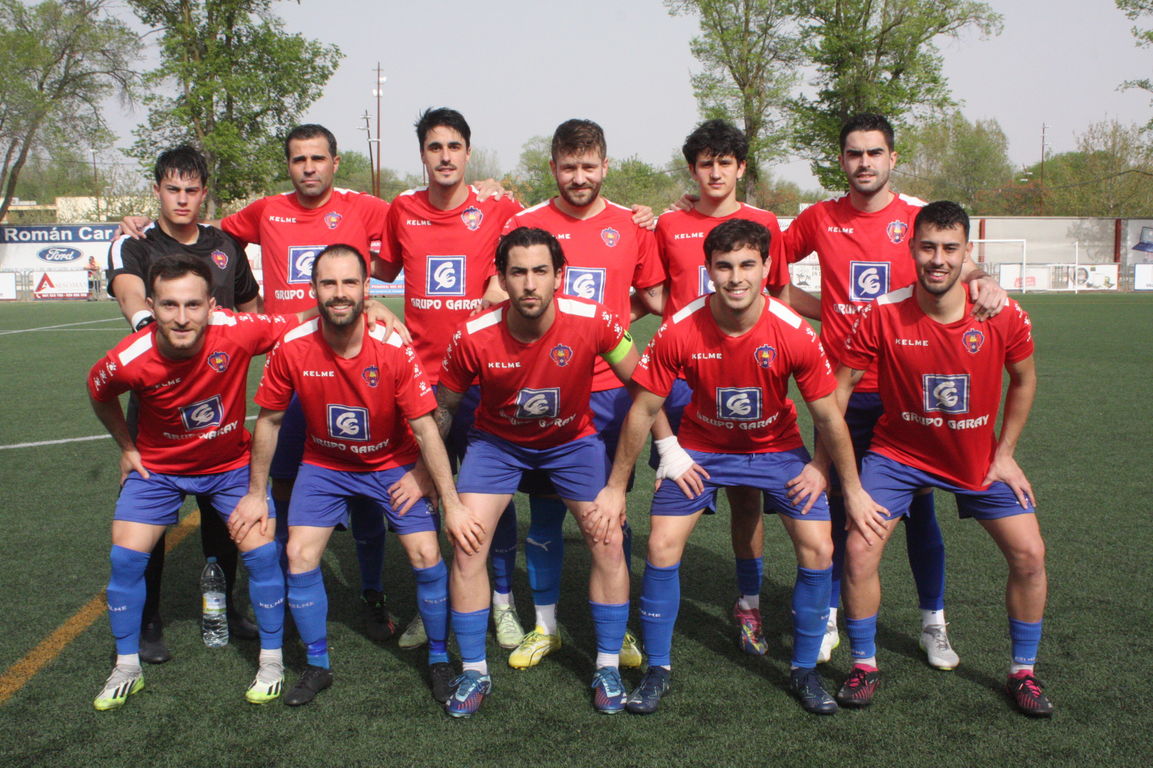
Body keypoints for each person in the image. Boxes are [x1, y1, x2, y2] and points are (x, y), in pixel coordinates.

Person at [119, 126, 406, 641]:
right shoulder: (262, 212)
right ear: (288, 164)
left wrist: (488, 193)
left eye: (318, 158)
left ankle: (369, 593)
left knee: (363, 486)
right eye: (298, 159)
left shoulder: (365, 207)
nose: (309, 167)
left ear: (335, 162)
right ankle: (284, 594)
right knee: (279, 486)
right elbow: (192, 238)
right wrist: (137, 225)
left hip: (352, 368)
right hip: (289, 375)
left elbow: (421, 217)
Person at [592, 218, 886, 716]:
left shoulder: (793, 330)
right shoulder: (680, 327)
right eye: (724, 266)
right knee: (660, 544)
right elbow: (643, 408)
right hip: (702, 448)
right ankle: (658, 669)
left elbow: (828, 416)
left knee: (819, 547)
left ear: (767, 267)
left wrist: (843, 483)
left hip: (775, 447)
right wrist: (618, 485)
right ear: (708, 269)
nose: (735, 277)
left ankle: (804, 671)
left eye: (747, 264)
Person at [777, 113, 1007, 667]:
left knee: (920, 513)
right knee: (840, 508)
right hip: (843, 390)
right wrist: (826, 309)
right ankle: (831, 616)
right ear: (842, 160)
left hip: (908, 392)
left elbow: (964, 266)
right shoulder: (818, 218)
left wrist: (986, 279)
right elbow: (771, 271)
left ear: (892, 158)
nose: (865, 163)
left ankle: (934, 623)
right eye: (855, 153)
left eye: (874, 153)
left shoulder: (915, 216)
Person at [829, 201, 1051, 717]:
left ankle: (1023, 673)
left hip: (977, 459)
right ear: (911, 249)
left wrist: (1006, 452)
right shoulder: (882, 312)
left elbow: (1024, 379)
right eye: (928, 247)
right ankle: (864, 665)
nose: (938, 259)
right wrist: (846, 480)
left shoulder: (1000, 312)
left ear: (967, 253)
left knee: (1030, 555)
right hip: (898, 454)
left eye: (950, 248)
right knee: (859, 550)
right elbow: (837, 394)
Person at [436, 227, 656, 717]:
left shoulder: (593, 318)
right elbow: (443, 409)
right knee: (468, 543)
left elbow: (646, 388)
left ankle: (606, 666)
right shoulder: (473, 334)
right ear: (502, 278)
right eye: (518, 272)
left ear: (560, 276)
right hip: (496, 446)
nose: (530, 283)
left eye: (541, 271)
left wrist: (620, 483)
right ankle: (474, 671)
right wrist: (427, 475)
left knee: (608, 538)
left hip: (571, 443)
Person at [234, 243, 466, 706]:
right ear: (313, 289)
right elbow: (270, 421)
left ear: (366, 288)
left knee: (425, 553)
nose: (339, 293)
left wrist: (449, 498)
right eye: (328, 283)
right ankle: (317, 664)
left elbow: (425, 426)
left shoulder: (392, 346)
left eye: (348, 282)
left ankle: (440, 659)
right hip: (326, 465)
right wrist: (257, 493)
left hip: (391, 463)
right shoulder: (292, 346)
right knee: (299, 553)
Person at [87, 255, 294, 710]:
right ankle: (126, 667)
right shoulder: (128, 358)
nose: (182, 317)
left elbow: (301, 321)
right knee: (125, 559)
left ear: (211, 305)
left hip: (229, 467)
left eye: (193, 305)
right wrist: (127, 446)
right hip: (158, 471)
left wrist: (370, 307)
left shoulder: (236, 330)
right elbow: (98, 392)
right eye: (169, 305)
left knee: (263, 554)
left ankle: (272, 662)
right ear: (151, 306)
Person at [498, 119, 664, 670]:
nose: (579, 177)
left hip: (609, 393)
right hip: (548, 392)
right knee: (545, 514)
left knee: (612, 514)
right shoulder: (525, 224)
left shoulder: (631, 225)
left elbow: (654, 297)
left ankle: (618, 630)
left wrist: (608, 325)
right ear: (553, 167)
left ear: (605, 166)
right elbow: (500, 295)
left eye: (589, 166)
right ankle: (545, 627)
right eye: (568, 167)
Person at [376, 107, 526, 651]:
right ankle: (432, 606)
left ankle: (503, 603)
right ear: (422, 154)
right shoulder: (402, 209)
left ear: (468, 151)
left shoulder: (499, 207)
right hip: (420, 382)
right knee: (424, 496)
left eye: (454, 146)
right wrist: (368, 299)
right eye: (434, 147)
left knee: (490, 496)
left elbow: (542, 246)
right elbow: (378, 268)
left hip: (485, 378)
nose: (444, 156)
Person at [106, 145, 262, 663]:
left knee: (223, 519)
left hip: (219, 406)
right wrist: (149, 329)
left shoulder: (225, 245)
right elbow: (129, 293)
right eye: (172, 189)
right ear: (157, 191)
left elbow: (250, 306)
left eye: (192, 190)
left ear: (204, 193)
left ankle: (223, 605)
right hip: (158, 409)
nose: (182, 199)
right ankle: (149, 620)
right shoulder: (136, 241)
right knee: (147, 523)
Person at [654, 119, 789, 656]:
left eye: (725, 163)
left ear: (741, 168)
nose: (715, 173)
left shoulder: (764, 223)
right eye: (705, 163)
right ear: (693, 169)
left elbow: (776, 296)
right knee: (672, 497)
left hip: (745, 378)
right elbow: (651, 291)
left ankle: (749, 604)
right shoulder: (667, 223)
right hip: (682, 384)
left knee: (746, 500)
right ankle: (660, 610)